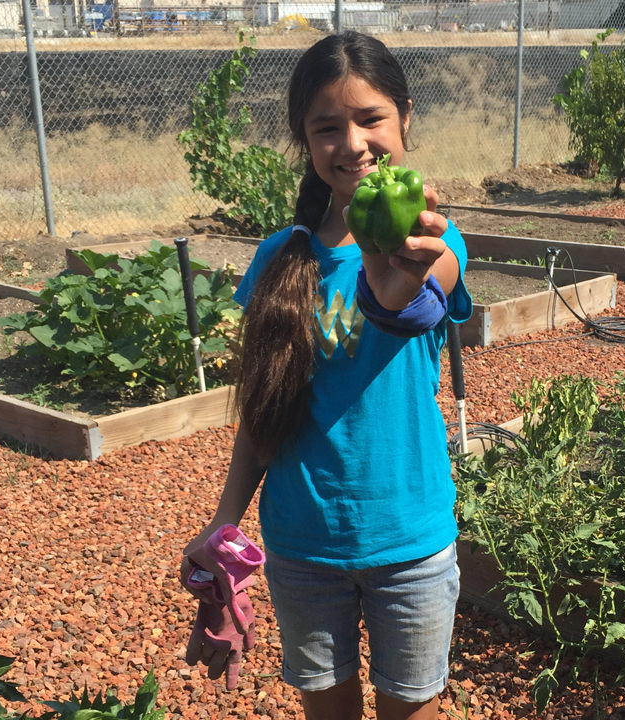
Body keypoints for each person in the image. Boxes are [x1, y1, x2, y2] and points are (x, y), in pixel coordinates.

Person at [180, 30, 473, 720]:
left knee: (413, 709)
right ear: (305, 141)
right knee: (328, 710)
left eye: (370, 119)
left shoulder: (435, 237)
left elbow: (416, 306)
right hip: (302, 542)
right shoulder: (279, 257)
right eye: (328, 127)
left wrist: (385, 280)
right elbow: (265, 409)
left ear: (405, 116)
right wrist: (225, 523)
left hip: (409, 540)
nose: (353, 143)